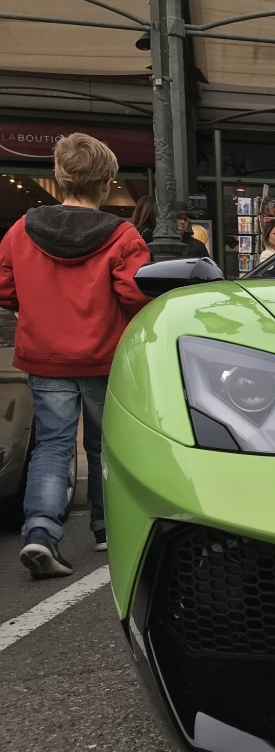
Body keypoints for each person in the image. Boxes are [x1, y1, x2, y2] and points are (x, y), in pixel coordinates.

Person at [0, 133, 150, 576]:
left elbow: (6, 288)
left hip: (45, 357)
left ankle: (42, 532)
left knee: (52, 445)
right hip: (103, 358)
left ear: (58, 178)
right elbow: (136, 295)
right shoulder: (122, 236)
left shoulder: (21, 230)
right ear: (106, 184)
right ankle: (107, 530)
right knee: (105, 446)